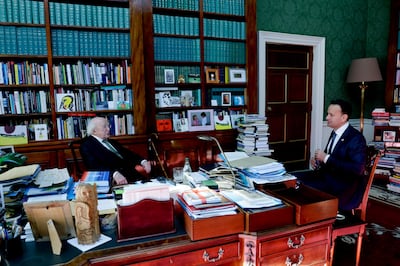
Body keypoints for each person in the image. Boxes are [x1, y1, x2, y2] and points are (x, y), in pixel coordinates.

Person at [294, 99, 367, 212]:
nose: (327, 117)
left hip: (343, 186)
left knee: (302, 186)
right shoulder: (335, 132)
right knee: (293, 178)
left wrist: (326, 158)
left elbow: (357, 169)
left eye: (331, 115)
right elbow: (332, 161)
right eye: (327, 114)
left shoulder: (356, 138)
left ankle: (312, 218)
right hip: (328, 177)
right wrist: (319, 162)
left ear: (344, 118)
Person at [80, 117, 151, 185]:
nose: (108, 129)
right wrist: (114, 173)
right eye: (104, 127)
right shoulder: (87, 145)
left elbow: (128, 154)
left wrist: (143, 161)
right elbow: (94, 166)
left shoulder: (111, 142)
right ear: (94, 131)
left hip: (133, 176)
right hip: (115, 181)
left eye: (108, 126)